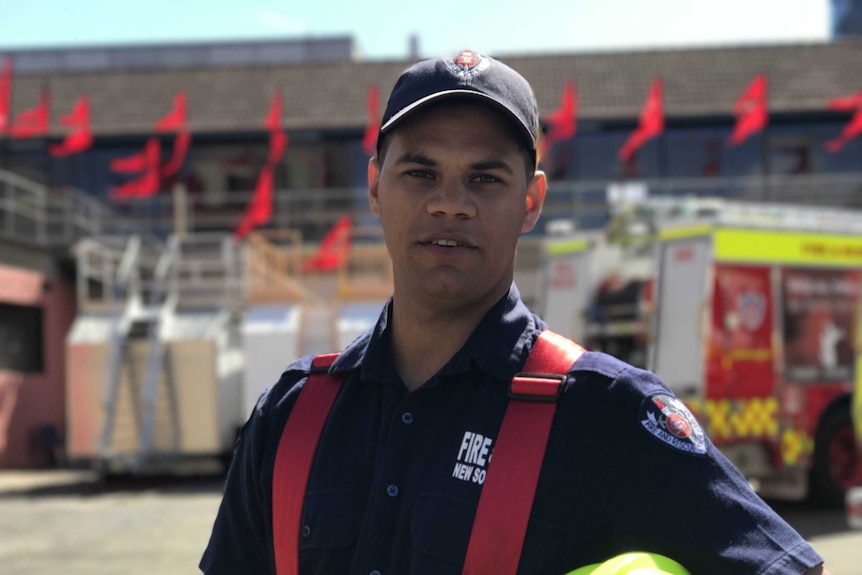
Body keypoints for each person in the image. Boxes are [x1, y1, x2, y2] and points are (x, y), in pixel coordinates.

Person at [201, 50, 830, 575]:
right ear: (374, 187)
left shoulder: (606, 414)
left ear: (531, 201)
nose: (451, 204)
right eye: (420, 173)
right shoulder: (290, 417)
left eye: (485, 179)